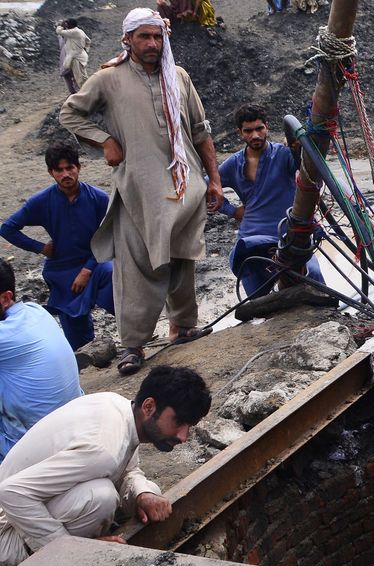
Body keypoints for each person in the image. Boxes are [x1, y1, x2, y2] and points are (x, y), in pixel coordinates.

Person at [59, 8, 222, 376]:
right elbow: (70, 113)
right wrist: (104, 140)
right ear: (127, 39)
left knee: (183, 255)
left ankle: (183, 326)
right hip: (139, 188)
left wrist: (214, 178)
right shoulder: (108, 79)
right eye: (144, 36)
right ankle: (133, 345)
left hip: (184, 183)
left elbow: (201, 130)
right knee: (136, 264)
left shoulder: (178, 76)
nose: (152, 43)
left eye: (157, 36)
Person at [0, 365, 209, 566]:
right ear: (149, 406)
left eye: (189, 426)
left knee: (149, 490)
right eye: (178, 422)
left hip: (26, 508)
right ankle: (49, 561)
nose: (183, 437)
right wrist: (71, 552)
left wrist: (142, 494)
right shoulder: (104, 448)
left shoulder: (119, 409)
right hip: (8, 535)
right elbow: (11, 492)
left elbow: (127, 469)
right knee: (100, 497)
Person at [1, 141, 114, 350]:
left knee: (115, 284)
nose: (66, 174)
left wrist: (88, 269)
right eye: (59, 170)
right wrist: (40, 247)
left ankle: (134, 343)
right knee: (78, 342)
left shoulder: (98, 198)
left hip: (96, 263)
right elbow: (7, 228)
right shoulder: (42, 201)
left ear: (79, 167)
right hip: (62, 271)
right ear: (51, 173)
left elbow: (109, 236)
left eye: (70, 168)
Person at [218, 104, 325, 297]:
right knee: (256, 292)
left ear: (267, 127)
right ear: (240, 133)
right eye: (248, 131)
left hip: (289, 234)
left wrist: (297, 147)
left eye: (259, 128)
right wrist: (232, 211)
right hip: (251, 237)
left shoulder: (283, 154)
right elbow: (206, 187)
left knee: (314, 275)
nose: (255, 135)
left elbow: (308, 166)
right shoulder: (233, 164)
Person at [0, 259, 83, 461]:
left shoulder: (6, 336)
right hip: (76, 426)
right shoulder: (35, 310)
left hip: (35, 450)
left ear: (5, 298)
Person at [55, 19, 90, 94]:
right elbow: (88, 41)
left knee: (80, 78)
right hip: (78, 56)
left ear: (70, 25)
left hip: (76, 58)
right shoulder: (79, 31)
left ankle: (86, 93)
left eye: (67, 24)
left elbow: (59, 31)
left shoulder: (74, 32)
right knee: (80, 76)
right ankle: (85, 92)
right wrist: (84, 49)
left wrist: (61, 25)